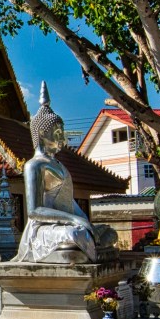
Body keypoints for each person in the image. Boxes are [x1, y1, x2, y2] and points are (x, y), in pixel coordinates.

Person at [12, 82, 100, 263]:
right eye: (58, 133)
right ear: (43, 133)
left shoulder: (59, 165)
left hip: (64, 223)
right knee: (74, 234)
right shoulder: (34, 166)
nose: (62, 138)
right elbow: (35, 211)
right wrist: (73, 220)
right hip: (43, 228)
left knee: (105, 233)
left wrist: (84, 221)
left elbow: (69, 202)